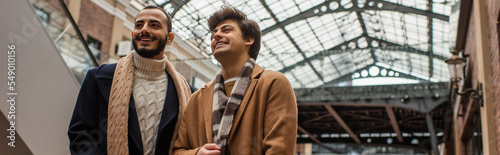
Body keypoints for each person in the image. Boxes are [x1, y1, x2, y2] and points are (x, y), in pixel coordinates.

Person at [173, 6, 298, 155]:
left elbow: (279, 149)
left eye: (226, 30)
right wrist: (197, 153)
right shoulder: (197, 98)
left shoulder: (273, 83)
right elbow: (178, 151)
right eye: (214, 33)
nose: (216, 35)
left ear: (249, 40)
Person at [68, 6, 193, 155]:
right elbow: (80, 136)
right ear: (133, 33)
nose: (144, 30)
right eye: (139, 25)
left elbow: (188, 143)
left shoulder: (186, 93)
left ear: (169, 38)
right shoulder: (98, 77)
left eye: (154, 25)